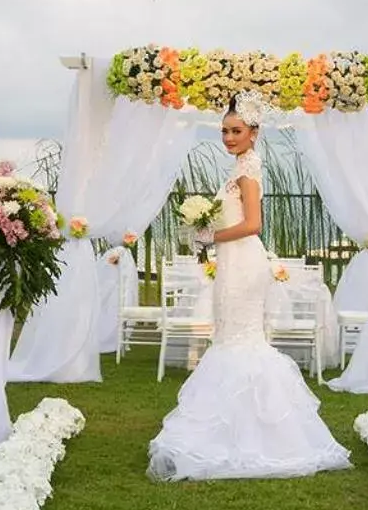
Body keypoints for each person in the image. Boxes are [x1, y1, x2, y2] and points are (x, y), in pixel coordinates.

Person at [147, 91, 351, 481]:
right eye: (224, 131)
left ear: (254, 133)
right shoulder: (240, 166)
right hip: (234, 261)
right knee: (229, 338)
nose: (228, 137)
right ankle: (235, 429)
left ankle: (259, 437)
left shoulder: (249, 167)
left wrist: (210, 236)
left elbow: (254, 223)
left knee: (241, 341)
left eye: (236, 131)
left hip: (243, 262)